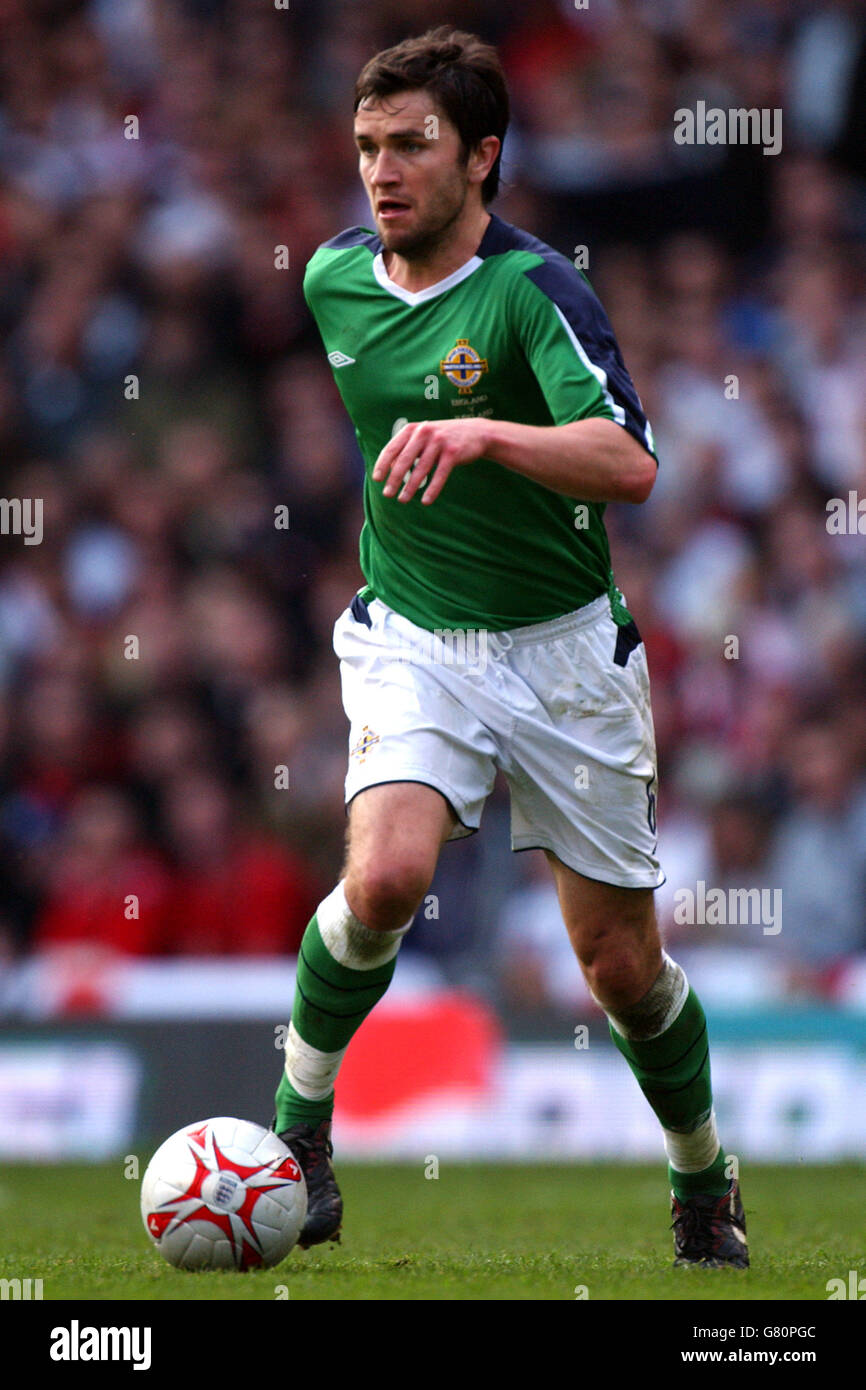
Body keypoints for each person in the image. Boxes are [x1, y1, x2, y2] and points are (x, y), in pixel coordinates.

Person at [272, 26, 747, 1269]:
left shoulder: (536, 294)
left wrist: (483, 432)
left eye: (412, 145)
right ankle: (297, 1144)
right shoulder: (331, 279)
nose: (381, 170)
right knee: (382, 882)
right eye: (367, 146)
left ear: (481, 158)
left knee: (621, 969)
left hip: (564, 659)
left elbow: (630, 464)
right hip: (414, 637)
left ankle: (701, 1175)